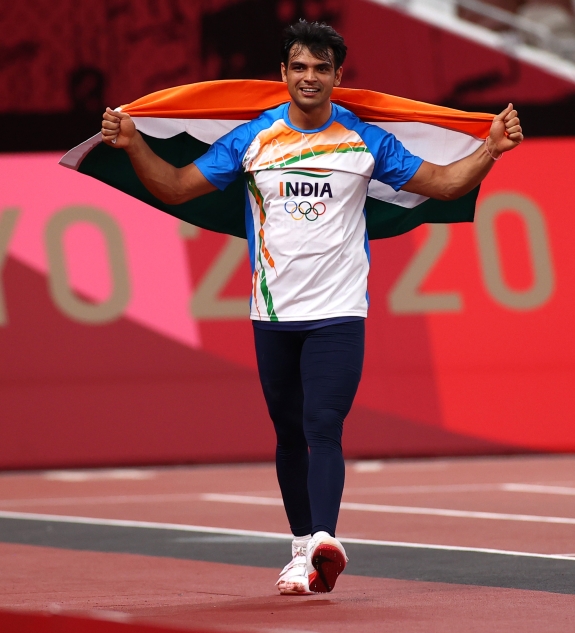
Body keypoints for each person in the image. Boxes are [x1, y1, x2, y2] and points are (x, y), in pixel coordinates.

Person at [100, 20, 522, 595]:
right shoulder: (253, 139)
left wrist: (492, 150)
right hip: (272, 314)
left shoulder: (365, 141)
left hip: (339, 312)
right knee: (286, 435)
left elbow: (444, 183)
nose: (310, 78)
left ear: (337, 77)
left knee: (324, 426)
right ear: (283, 74)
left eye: (321, 69)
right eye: (299, 67)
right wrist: (134, 144)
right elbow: (175, 187)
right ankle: (302, 548)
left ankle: (324, 538)